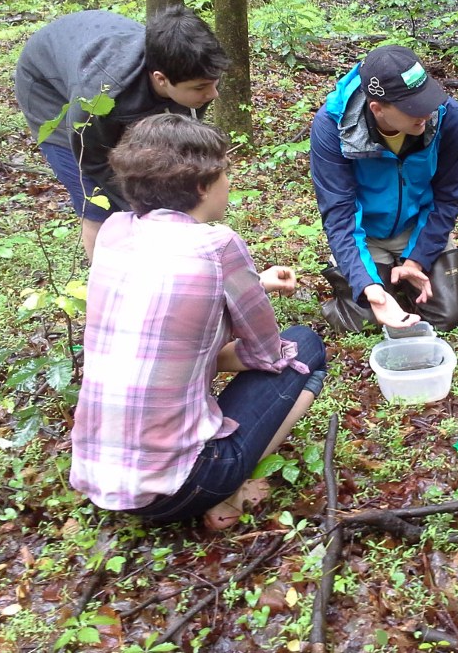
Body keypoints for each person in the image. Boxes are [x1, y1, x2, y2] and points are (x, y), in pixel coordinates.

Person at [69, 115, 327, 530]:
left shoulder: (114, 232)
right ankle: (229, 490)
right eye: (225, 172)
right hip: (187, 484)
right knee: (305, 345)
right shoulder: (218, 244)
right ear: (202, 186)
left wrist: (252, 286)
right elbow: (268, 355)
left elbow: (160, 326)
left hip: (99, 481)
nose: (229, 182)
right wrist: (245, 309)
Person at [15, 6, 229, 259]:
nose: (213, 95)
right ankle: (108, 284)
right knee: (99, 204)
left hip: (99, 50)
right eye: (201, 88)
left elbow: (177, 143)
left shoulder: (198, 70)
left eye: (215, 83)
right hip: (51, 92)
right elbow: (93, 161)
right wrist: (143, 208)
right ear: (161, 79)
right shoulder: (100, 96)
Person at [310, 44, 458, 333]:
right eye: (413, 109)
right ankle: (365, 277)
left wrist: (417, 258)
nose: (427, 114)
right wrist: (368, 285)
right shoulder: (332, 128)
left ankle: (412, 270)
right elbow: (339, 214)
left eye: (428, 100)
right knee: (367, 321)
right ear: (377, 109)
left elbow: (448, 195)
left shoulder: (448, 117)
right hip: (366, 234)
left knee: (454, 315)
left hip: (417, 225)